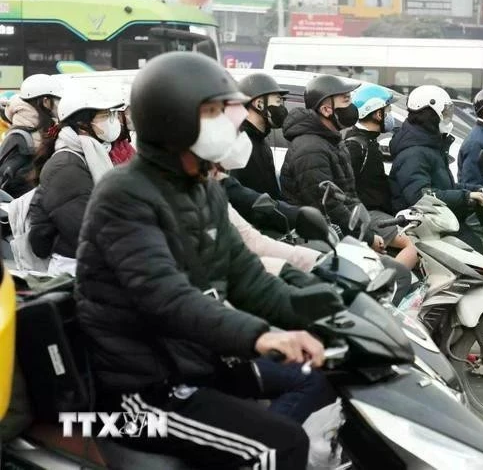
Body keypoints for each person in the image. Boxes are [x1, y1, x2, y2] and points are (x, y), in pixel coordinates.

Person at [75, 52, 340, 469]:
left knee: (320, 377)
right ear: (171, 119)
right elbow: (166, 296)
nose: (226, 121)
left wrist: (325, 310)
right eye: (211, 111)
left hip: (195, 359)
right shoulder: (124, 193)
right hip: (140, 389)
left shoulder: (204, 189)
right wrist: (261, 336)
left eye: (223, 109)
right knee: (277, 445)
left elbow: (246, 276)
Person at [279, 75, 384, 252]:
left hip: (339, 235)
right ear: (327, 110)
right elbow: (328, 206)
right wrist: (367, 238)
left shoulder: (332, 141)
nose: (351, 107)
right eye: (346, 101)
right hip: (320, 242)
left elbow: (348, 196)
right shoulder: (310, 148)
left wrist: (367, 231)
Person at [28, 85, 124, 275]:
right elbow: (82, 230)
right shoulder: (67, 167)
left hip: (90, 263)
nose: (113, 122)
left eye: (113, 115)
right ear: (82, 123)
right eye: (105, 116)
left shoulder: (93, 154)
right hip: (74, 268)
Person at [388, 85, 483, 252]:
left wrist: (478, 190)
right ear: (430, 114)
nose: (448, 118)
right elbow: (420, 195)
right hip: (426, 227)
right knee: (475, 253)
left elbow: (444, 185)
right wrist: (466, 196)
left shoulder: (431, 145)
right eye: (445, 113)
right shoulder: (415, 152)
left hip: (441, 221)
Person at [344, 84, 417, 270]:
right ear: (377, 114)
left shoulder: (369, 141)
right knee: (412, 246)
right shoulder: (355, 146)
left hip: (377, 213)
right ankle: (388, 286)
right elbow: (346, 190)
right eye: (388, 110)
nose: (389, 115)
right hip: (367, 214)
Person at [0, 74, 63, 197]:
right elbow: (8, 179)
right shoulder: (20, 137)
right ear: (45, 102)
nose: (58, 106)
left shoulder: (46, 129)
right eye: (55, 101)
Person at [233, 73, 290, 199]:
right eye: (278, 101)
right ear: (259, 104)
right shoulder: (238, 144)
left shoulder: (261, 141)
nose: (281, 108)